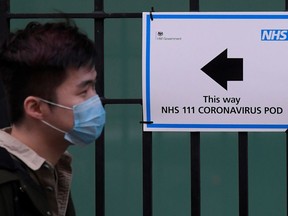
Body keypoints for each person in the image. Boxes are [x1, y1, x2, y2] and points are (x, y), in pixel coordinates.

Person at [0, 21, 105, 216]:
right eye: (84, 91)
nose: (96, 100)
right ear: (36, 107)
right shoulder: (6, 184)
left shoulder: (50, 171)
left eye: (94, 87)